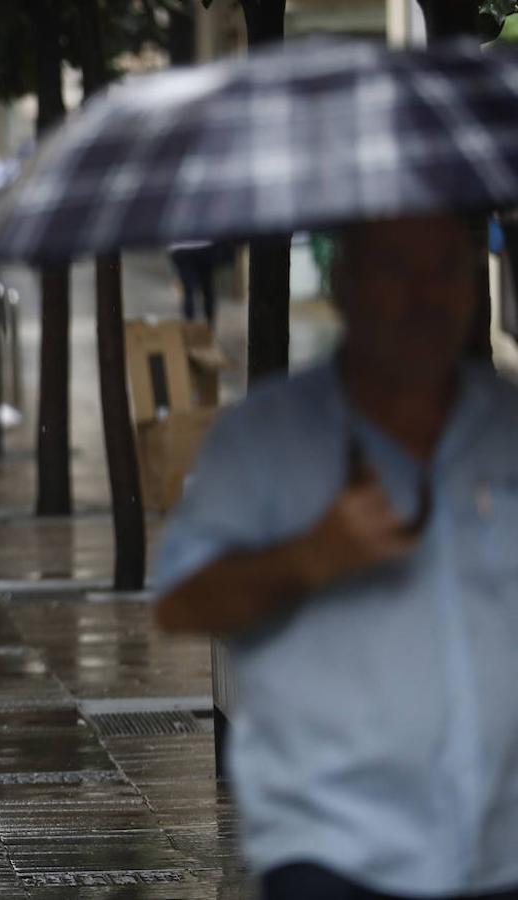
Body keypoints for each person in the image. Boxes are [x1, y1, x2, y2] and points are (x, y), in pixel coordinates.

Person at [155, 214, 518, 900]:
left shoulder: (507, 430)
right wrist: (308, 558)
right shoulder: (264, 437)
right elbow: (184, 601)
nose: (424, 295)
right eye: (395, 272)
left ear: (477, 286)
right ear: (345, 285)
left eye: (446, 269)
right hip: (336, 850)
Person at [168, 239, 217, 328]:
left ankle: (190, 328)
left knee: (188, 291)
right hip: (204, 246)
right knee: (207, 290)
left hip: (181, 248)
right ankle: (209, 328)